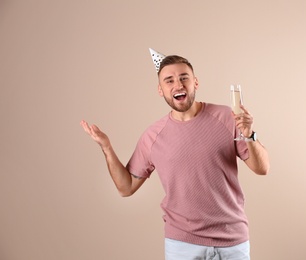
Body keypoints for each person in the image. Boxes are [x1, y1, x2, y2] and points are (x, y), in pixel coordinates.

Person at [80, 51, 270, 260]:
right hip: (183, 245)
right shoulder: (153, 136)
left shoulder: (227, 117)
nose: (178, 85)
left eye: (183, 78)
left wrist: (249, 135)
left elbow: (262, 168)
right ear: (160, 90)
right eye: (169, 81)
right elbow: (126, 188)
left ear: (195, 82)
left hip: (233, 241)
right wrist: (106, 147)